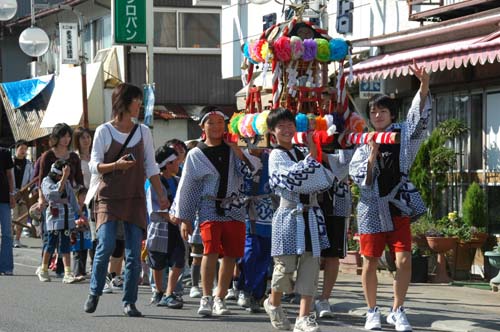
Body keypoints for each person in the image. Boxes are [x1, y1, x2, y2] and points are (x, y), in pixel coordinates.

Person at [349, 62, 430, 332]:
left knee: (404, 259)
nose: (378, 114)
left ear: (391, 113)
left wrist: (424, 87)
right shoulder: (364, 140)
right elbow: (358, 175)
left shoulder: (402, 134)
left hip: (397, 206)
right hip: (372, 207)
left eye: (382, 110)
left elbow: (418, 121)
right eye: (373, 111)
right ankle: (372, 311)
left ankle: (397, 309)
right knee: (370, 260)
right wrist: (372, 154)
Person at [83, 83, 169, 317]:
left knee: (133, 252)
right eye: (136, 101)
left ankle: (129, 301)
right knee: (106, 245)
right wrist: (116, 166)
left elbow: (151, 165)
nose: (139, 105)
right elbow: (94, 165)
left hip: (135, 196)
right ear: (123, 102)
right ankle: (94, 292)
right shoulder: (104, 131)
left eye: (141, 101)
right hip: (109, 197)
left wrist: (161, 194)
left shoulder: (143, 131)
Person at [170, 106, 254, 317]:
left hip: (234, 206)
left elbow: (250, 175)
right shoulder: (196, 154)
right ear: (202, 126)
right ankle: (206, 297)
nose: (216, 126)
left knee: (232, 255)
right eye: (211, 122)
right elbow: (188, 187)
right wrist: (185, 218)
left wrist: (240, 155)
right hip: (208, 207)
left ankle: (220, 297)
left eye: (219, 122)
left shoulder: (234, 149)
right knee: (210, 250)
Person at [264, 108, 338, 332]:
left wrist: (313, 157)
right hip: (288, 215)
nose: (286, 130)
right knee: (284, 267)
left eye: (289, 125)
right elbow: (296, 180)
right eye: (280, 127)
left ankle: (304, 317)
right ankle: (273, 302)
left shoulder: (301, 151)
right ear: (272, 132)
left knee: (310, 265)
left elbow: (325, 179)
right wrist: (313, 160)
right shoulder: (275, 155)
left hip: (311, 214)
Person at [36, 123, 84, 278]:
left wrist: (79, 205)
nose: (66, 139)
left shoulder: (74, 157)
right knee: (50, 238)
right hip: (52, 204)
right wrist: (41, 199)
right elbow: (42, 180)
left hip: (69, 204)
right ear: (55, 137)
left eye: (69, 136)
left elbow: (79, 181)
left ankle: (65, 271)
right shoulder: (47, 156)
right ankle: (44, 267)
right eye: (63, 136)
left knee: (66, 239)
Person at [314, 151, 353, 318]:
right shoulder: (307, 131)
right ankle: (307, 294)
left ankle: (324, 299)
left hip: (338, 202)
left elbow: (344, 167)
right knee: (310, 253)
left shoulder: (347, 138)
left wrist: (319, 152)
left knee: (333, 255)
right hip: (311, 202)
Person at [146, 146, 184, 309]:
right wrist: (170, 216)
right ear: (168, 164)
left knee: (179, 259)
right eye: (176, 161)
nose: (178, 163)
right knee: (158, 260)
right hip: (160, 227)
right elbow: (153, 205)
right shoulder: (154, 181)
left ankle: (169, 293)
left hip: (176, 227)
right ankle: (159, 291)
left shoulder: (177, 180)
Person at [236, 148, 274, 313]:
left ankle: (258, 294)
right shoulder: (240, 157)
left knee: (265, 255)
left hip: (268, 211)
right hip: (246, 211)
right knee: (250, 252)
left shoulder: (272, 156)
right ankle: (245, 289)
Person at [39, 160, 84, 283]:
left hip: (66, 217)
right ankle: (43, 269)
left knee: (65, 244)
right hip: (54, 218)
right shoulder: (46, 181)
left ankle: (68, 273)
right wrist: (63, 178)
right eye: (62, 174)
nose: (64, 176)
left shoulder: (67, 182)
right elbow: (52, 195)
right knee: (50, 244)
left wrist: (79, 213)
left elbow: (72, 199)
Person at [12, 140, 34, 248]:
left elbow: (32, 179)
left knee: (22, 217)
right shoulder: (10, 161)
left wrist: (30, 191)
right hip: (11, 193)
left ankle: (17, 239)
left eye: (25, 149)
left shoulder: (29, 164)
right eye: (21, 149)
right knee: (13, 216)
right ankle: (9, 238)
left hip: (24, 194)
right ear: (16, 149)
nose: (23, 151)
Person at [0, 146, 15, 275]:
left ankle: (6, 266)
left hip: (4, 198)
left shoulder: (4, 153)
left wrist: (12, 194)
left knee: (7, 233)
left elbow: (10, 176)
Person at [71, 186, 92, 279]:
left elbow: (90, 221)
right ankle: (76, 272)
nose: (84, 197)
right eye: (82, 195)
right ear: (77, 196)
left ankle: (82, 271)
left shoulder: (87, 208)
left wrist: (86, 222)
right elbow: (71, 220)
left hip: (85, 235)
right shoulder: (74, 208)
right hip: (76, 234)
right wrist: (77, 222)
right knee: (77, 254)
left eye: (86, 195)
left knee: (84, 253)